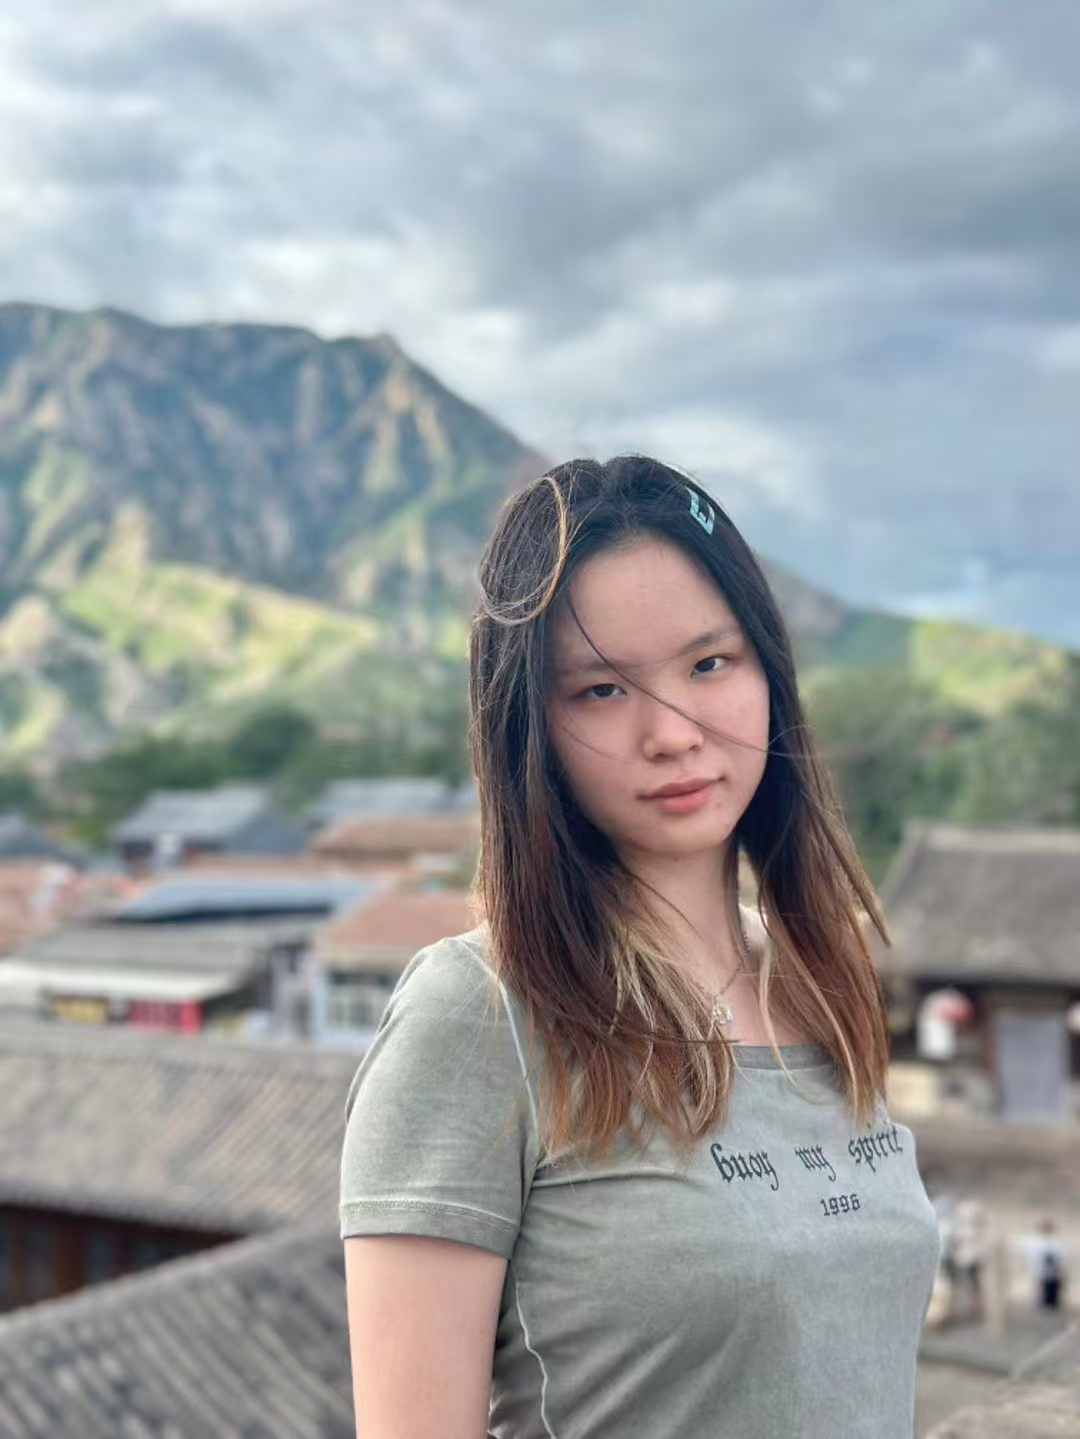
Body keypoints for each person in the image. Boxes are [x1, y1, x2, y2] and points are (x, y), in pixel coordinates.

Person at [339, 455, 943, 1439]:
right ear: (529, 728)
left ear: (769, 672)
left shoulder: (822, 985)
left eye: (709, 664)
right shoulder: (478, 1016)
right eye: (601, 690)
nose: (672, 732)